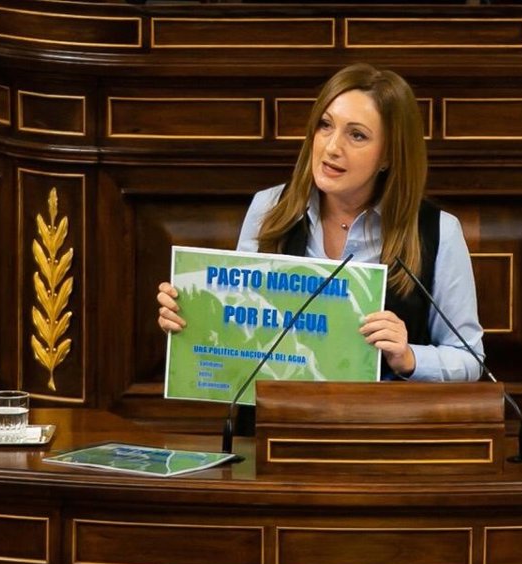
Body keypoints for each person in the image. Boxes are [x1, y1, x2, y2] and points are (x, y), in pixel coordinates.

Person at [157, 62, 483, 382]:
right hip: (281, 412)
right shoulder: (269, 208)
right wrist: (193, 319)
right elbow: (238, 332)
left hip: (380, 415)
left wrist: (409, 358)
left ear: (388, 155)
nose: (332, 147)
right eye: (325, 125)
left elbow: (469, 358)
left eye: (357, 135)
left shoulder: (439, 232)